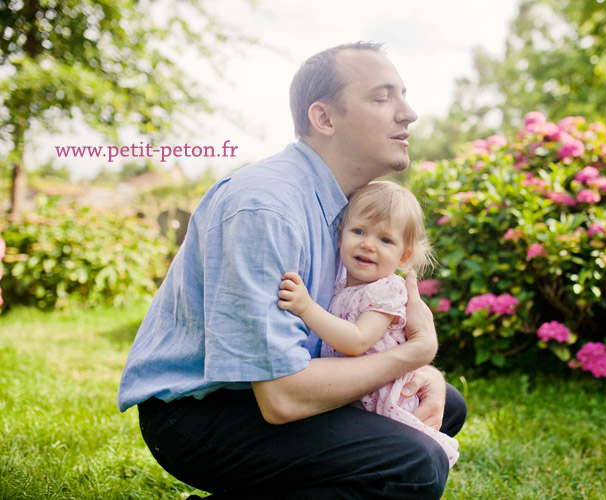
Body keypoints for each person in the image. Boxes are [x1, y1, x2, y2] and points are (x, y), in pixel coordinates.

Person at [117, 41, 466, 500]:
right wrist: (414, 354)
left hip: (267, 388)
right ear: (324, 119)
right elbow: (282, 399)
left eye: (403, 95)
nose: (409, 113)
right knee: (415, 464)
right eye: (383, 98)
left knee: (440, 405)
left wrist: (422, 372)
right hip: (202, 413)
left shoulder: (344, 211)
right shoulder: (267, 207)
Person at [278, 180, 459, 468]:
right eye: (359, 231)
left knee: (405, 463)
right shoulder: (340, 285)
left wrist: (306, 308)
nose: (368, 244)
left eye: (385, 240)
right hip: (352, 394)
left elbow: (357, 341)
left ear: (404, 256)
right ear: (340, 237)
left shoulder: (385, 290)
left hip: (381, 400)